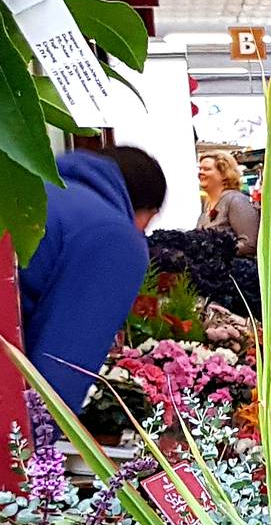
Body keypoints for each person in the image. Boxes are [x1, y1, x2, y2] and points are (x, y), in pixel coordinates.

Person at [20, 146, 165, 411]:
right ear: (146, 210)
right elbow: (62, 367)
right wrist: (32, 447)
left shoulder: (38, 191)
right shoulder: (112, 235)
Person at [196, 150, 258, 254]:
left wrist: (219, 252)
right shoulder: (206, 204)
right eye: (200, 168)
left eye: (206, 169)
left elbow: (249, 243)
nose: (201, 172)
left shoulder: (236, 200)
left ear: (224, 174)